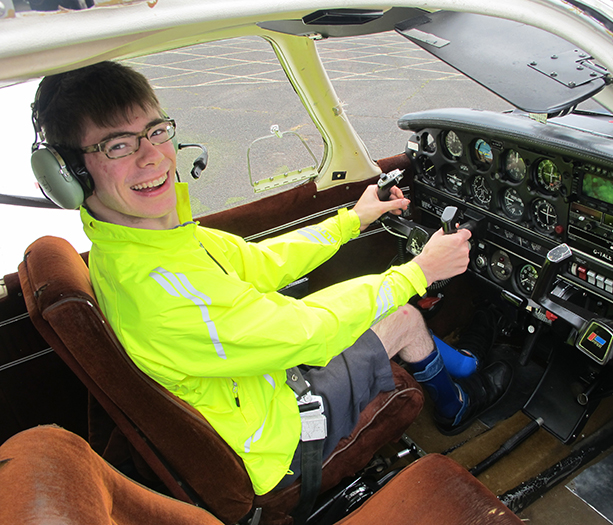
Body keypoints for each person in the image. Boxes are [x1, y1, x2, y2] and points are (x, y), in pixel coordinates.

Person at [31, 61, 511, 496]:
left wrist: (351, 221)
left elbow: (260, 263)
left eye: (156, 131)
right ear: (71, 174)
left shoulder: (149, 244)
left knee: (385, 301)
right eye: (118, 144)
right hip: (279, 439)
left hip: (254, 389)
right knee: (403, 315)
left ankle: (466, 363)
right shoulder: (155, 290)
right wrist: (419, 272)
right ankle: (460, 401)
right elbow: (310, 332)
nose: (153, 157)